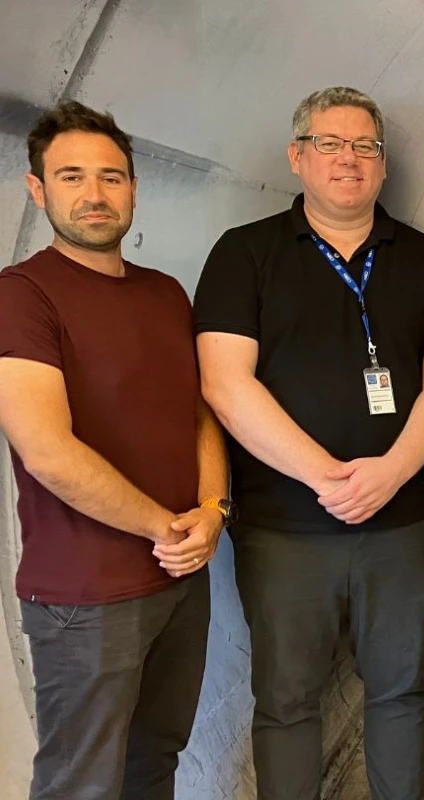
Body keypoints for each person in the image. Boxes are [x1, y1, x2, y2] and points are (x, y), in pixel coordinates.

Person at [192, 87, 424, 799]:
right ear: (298, 157)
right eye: (331, 144)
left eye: (366, 147)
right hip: (284, 528)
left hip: (404, 523)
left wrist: (392, 474)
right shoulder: (243, 254)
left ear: (382, 165)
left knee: (402, 691)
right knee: (286, 701)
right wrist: (329, 477)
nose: (350, 159)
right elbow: (225, 383)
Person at [0, 101, 228, 800]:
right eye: (72, 177)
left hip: (179, 581)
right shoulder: (22, 296)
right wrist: (168, 527)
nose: (94, 195)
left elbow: (198, 418)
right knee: (82, 783)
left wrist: (213, 511)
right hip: (86, 597)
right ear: (38, 190)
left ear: (132, 188)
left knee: (153, 763)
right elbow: (46, 451)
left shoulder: (164, 295)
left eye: (112, 177)